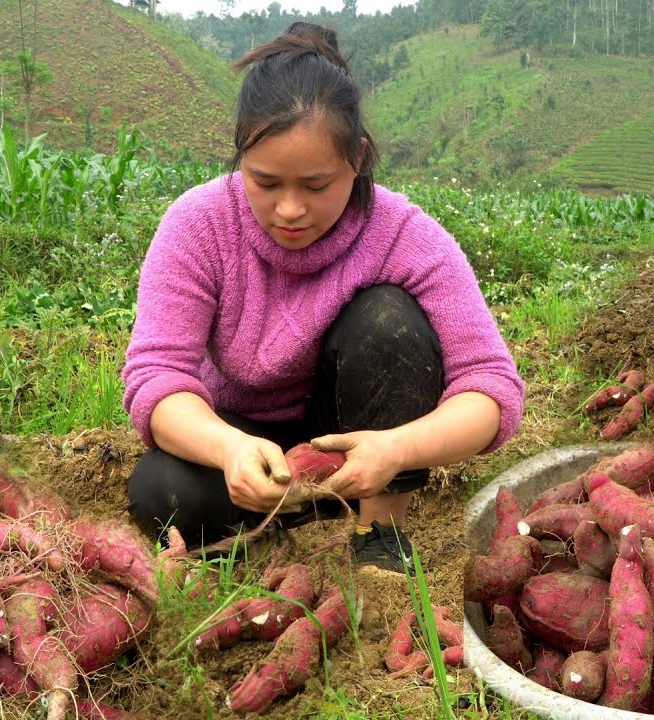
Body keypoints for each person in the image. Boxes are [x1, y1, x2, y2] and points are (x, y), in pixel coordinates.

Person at [123, 22, 525, 573]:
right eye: (265, 182)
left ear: (356, 157)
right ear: (241, 154)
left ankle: (378, 527)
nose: (290, 210)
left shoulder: (405, 235)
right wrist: (228, 450)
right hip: (239, 430)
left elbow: (493, 391)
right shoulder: (198, 225)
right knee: (160, 496)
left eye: (316, 186)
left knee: (390, 320)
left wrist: (396, 450)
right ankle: (298, 506)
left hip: (356, 433)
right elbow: (156, 377)